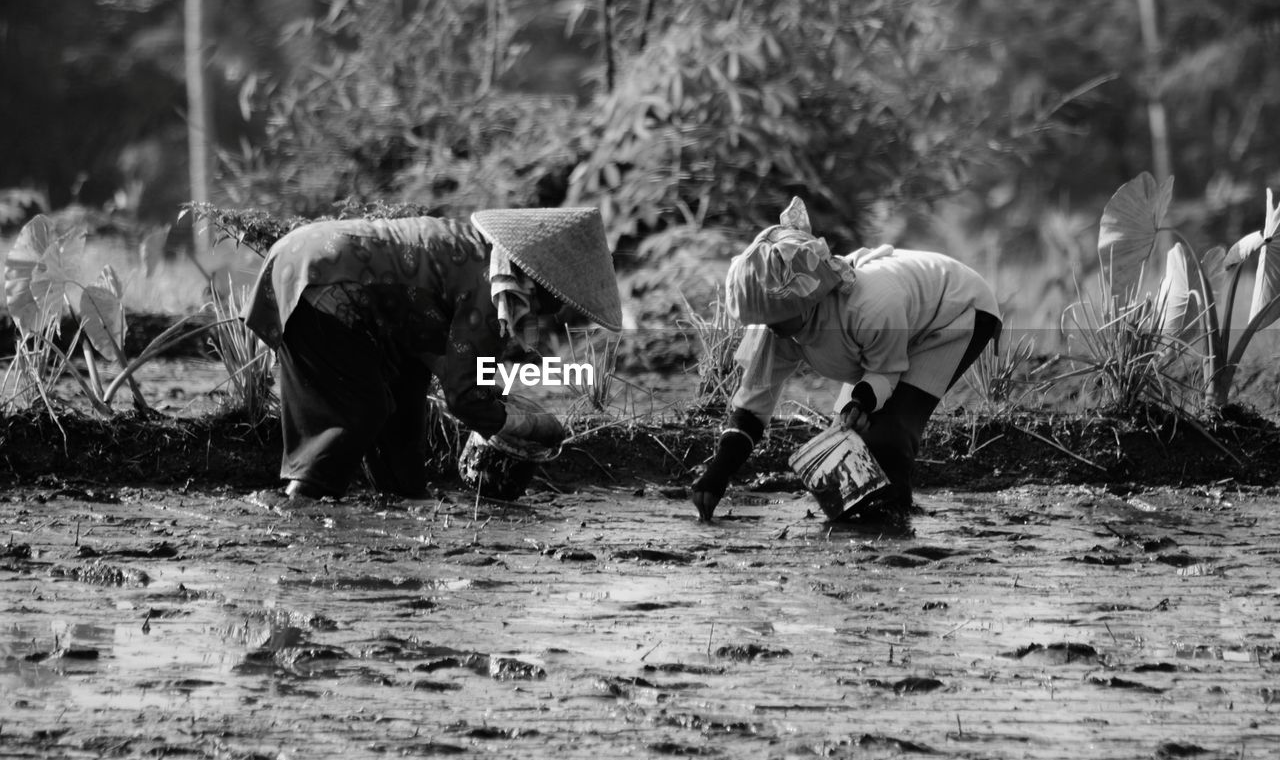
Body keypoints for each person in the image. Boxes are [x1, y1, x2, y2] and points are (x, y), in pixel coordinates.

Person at [242, 207, 622, 501]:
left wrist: (500, 385)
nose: (552, 312)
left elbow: (449, 355)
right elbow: (463, 394)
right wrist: (515, 426)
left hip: (315, 260)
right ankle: (299, 506)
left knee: (405, 400)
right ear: (543, 284)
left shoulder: (482, 255)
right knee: (359, 411)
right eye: (556, 301)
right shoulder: (492, 289)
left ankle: (403, 497)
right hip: (324, 280)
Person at [690, 198, 1001, 530]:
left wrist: (863, 400)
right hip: (893, 331)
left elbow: (885, 371)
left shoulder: (868, 305)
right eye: (763, 321)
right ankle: (857, 521)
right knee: (845, 441)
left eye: (777, 319)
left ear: (807, 298)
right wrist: (717, 473)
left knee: (887, 437)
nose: (770, 329)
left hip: (954, 310)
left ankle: (892, 525)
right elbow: (752, 407)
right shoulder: (779, 324)